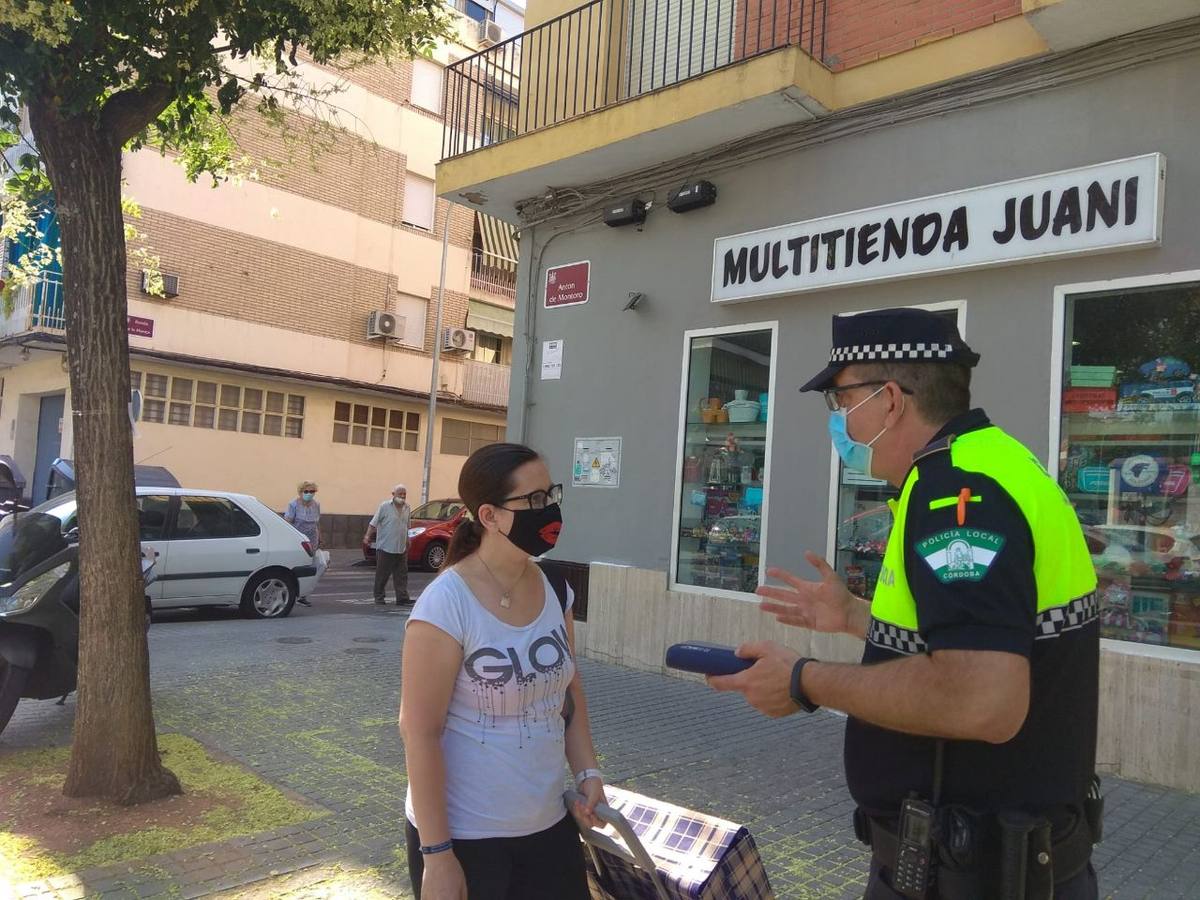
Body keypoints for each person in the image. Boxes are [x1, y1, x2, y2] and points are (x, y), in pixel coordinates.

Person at [709, 308, 1102, 900]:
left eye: (839, 400)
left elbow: (983, 700)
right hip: (978, 862)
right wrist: (855, 618)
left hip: (973, 873)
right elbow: (986, 635)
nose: (837, 419)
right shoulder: (988, 465)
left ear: (888, 401)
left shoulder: (958, 496)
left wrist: (804, 681)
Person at [400, 442, 602, 900]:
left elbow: (569, 696)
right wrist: (437, 854)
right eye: (532, 500)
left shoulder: (555, 587)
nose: (547, 509)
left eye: (550, 494)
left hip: (549, 827)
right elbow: (419, 731)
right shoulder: (446, 603)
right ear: (488, 516)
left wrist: (588, 772)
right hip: (467, 839)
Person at [367, 484, 412, 606]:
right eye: (400, 494)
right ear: (393, 494)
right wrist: (367, 536)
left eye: (404, 494)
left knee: (402, 574)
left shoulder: (407, 507)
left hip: (400, 547)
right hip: (386, 546)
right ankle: (379, 597)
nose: (402, 496)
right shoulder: (384, 506)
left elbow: (407, 526)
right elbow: (373, 523)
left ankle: (402, 598)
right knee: (382, 574)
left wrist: (407, 539)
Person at [285, 481, 320, 607]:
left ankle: (303, 595)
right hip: (298, 539)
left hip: (312, 539)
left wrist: (320, 537)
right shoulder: (293, 504)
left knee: (309, 566)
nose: (309, 494)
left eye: (312, 491)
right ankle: (292, 593)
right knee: (296, 566)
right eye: (306, 491)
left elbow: (317, 523)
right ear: (300, 492)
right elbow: (288, 522)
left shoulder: (316, 504)